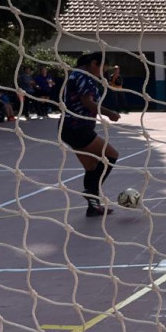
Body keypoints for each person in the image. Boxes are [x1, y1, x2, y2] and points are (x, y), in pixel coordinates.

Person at [60, 53, 121, 217]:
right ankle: (92, 191)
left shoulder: (75, 75)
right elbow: (88, 102)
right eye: (101, 69)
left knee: (92, 167)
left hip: (68, 128)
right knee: (111, 155)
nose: (101, 73)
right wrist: (110, 113)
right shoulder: (82, 77)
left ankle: (93, 207)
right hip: (77, 128)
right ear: (94, 63)